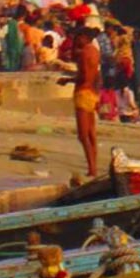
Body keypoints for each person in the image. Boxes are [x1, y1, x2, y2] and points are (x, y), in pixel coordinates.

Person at [59, 16, 102, 175]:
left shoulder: (85, 53)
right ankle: (94, 166)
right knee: (91, 133)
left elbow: (84, 76)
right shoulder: (95, 51)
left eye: (79, 37)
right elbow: (96, 76)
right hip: (93, 93)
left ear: (85, 37)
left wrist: (68, 80)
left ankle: (92, 168)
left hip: (83, 92)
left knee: (83, 135)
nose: (77, 40)